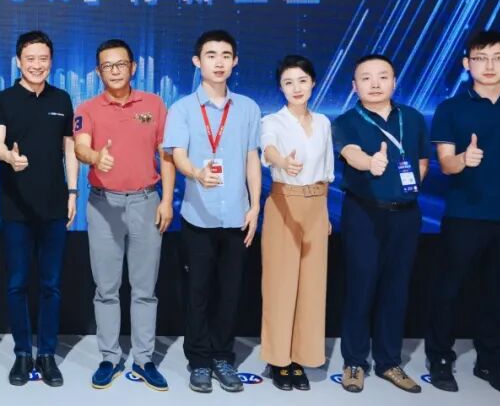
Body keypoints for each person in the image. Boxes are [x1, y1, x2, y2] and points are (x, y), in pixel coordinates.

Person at [424, 30, 500, 395]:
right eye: (480, 58)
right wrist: (464, 159)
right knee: (448, 290)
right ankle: (440, 359)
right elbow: (445, 163)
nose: (489, 65)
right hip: (464, 213)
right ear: (467, 63)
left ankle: (490, 362)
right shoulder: (450, 108)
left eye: (497, 58)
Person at [162, 29, 261, 394]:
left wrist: (255, 206)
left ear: (235, 62)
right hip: (198, 217)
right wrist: (196, 174)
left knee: (230, 293)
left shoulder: (248, 108)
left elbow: (252, 159)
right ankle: (200, 360)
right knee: (198, 292)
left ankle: (223, 357)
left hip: (237, 216)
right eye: (211, 55)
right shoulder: (183, 108)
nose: (219, 62)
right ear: (197, 61)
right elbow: (177, 154)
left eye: (225, 56)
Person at [74, 39, 174, 391]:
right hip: (104, 205)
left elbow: (166, 154)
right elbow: (81, 147)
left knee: (145, 288)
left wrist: (166, 201)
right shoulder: (87, 108)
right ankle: (109, 356)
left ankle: (144, 359)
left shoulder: (154, 104)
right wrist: (95, 157)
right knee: (106, 288)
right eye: (107, 66)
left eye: (120, 64)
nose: (114, 71)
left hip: (147, 202)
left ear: (133, 67)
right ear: (98, 71)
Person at [332, 54, 429, 394]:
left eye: (382, 76)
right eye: (366, 78)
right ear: (354, 85)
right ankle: (354, 362)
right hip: (364, 213)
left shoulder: (413, 118)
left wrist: (407, 190)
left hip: (406, 215)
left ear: (394, 81)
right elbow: (350, 153)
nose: (375, 84)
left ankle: (389, 362)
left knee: (396, 289)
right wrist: (370, 163)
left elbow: (421, 161)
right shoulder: (345, 121)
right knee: (361, 287)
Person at [0, 30, 78, 387]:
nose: (37, 65)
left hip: (54, 205)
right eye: (30, 59)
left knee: (51, 285)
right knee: (17, 284)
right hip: (16, 208)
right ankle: (23, 353)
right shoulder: (3, 99)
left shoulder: (62, 98)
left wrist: (73, 192)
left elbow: (69, 148)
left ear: (51, 61)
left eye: (43, 59)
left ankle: (48, 354)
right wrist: (9, 157)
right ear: (18, 62)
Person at [259, 55, 334, 391]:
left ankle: (301, 357)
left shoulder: (324, 123)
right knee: (281, 286)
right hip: (284, 202)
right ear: (281, 88)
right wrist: (282, 162)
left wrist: (325, 213)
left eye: (302, 80)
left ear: (313, 83)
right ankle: (279, 360)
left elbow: (328, 170)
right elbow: (268, 150)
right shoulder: (273, 120)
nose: (296, 88)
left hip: (317, 204)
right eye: (288, 82)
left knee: (312, 288)